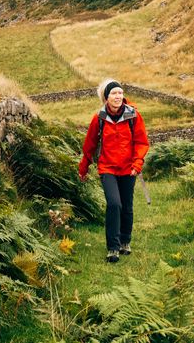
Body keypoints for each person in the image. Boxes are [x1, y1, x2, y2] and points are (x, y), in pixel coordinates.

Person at [79, 79, 150, 263]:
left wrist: (137, 164)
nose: (118, 96)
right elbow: (90, 145)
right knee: (114, 204)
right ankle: (112, 247)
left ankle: (125, 241)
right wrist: (83, 168)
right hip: (107, 167)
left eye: (120, 93)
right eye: (114, 93)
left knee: (126, 206)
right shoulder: (99, 118)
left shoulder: (133, 116)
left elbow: (141, 142)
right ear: (106, 98)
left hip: (129, 168)